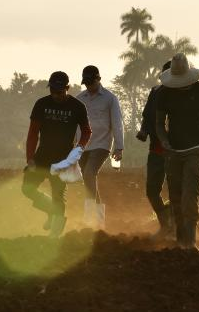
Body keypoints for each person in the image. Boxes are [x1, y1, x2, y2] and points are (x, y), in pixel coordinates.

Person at [156, 53, 199, 250]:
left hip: (195, 148)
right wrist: (164, 141)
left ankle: (191, 241)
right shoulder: (164, 92)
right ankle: (181, 240)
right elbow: (159, 123)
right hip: (173, 150)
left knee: (189, 195)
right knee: (176, 196)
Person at [22, 71, 90, 237]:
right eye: (52, 90)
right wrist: (30, 158)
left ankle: (54, 234)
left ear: (67, 88)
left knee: (58, 195)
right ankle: (51, 211)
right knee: (27, 188)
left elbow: (87, 132)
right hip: (42, 156)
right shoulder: (41, 104)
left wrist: (78, 149)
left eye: (59, 92)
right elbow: (32, 134)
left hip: (63, 160)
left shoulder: (77, 107)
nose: (55, 95)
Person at [75, 65, 124, 230]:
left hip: (102, 145)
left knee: (89, 173)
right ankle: (100, 222)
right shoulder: (79, 99)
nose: (89, 86)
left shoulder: (110, 99)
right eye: (86, 83)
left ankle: (89, 219)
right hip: (83, 145)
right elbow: (75, 125)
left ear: (98, 79)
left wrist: (119, 147)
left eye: (91, 82)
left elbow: (117, 124)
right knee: (89, 180)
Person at [137, 60, 173, 236]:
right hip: (156, 149)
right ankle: (165, 223)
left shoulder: (182, 94)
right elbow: (147, 115)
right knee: (152, 190)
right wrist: (143, 131)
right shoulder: (155, 92)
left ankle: (174, 226)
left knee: (176, 190)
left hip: (176, 152)